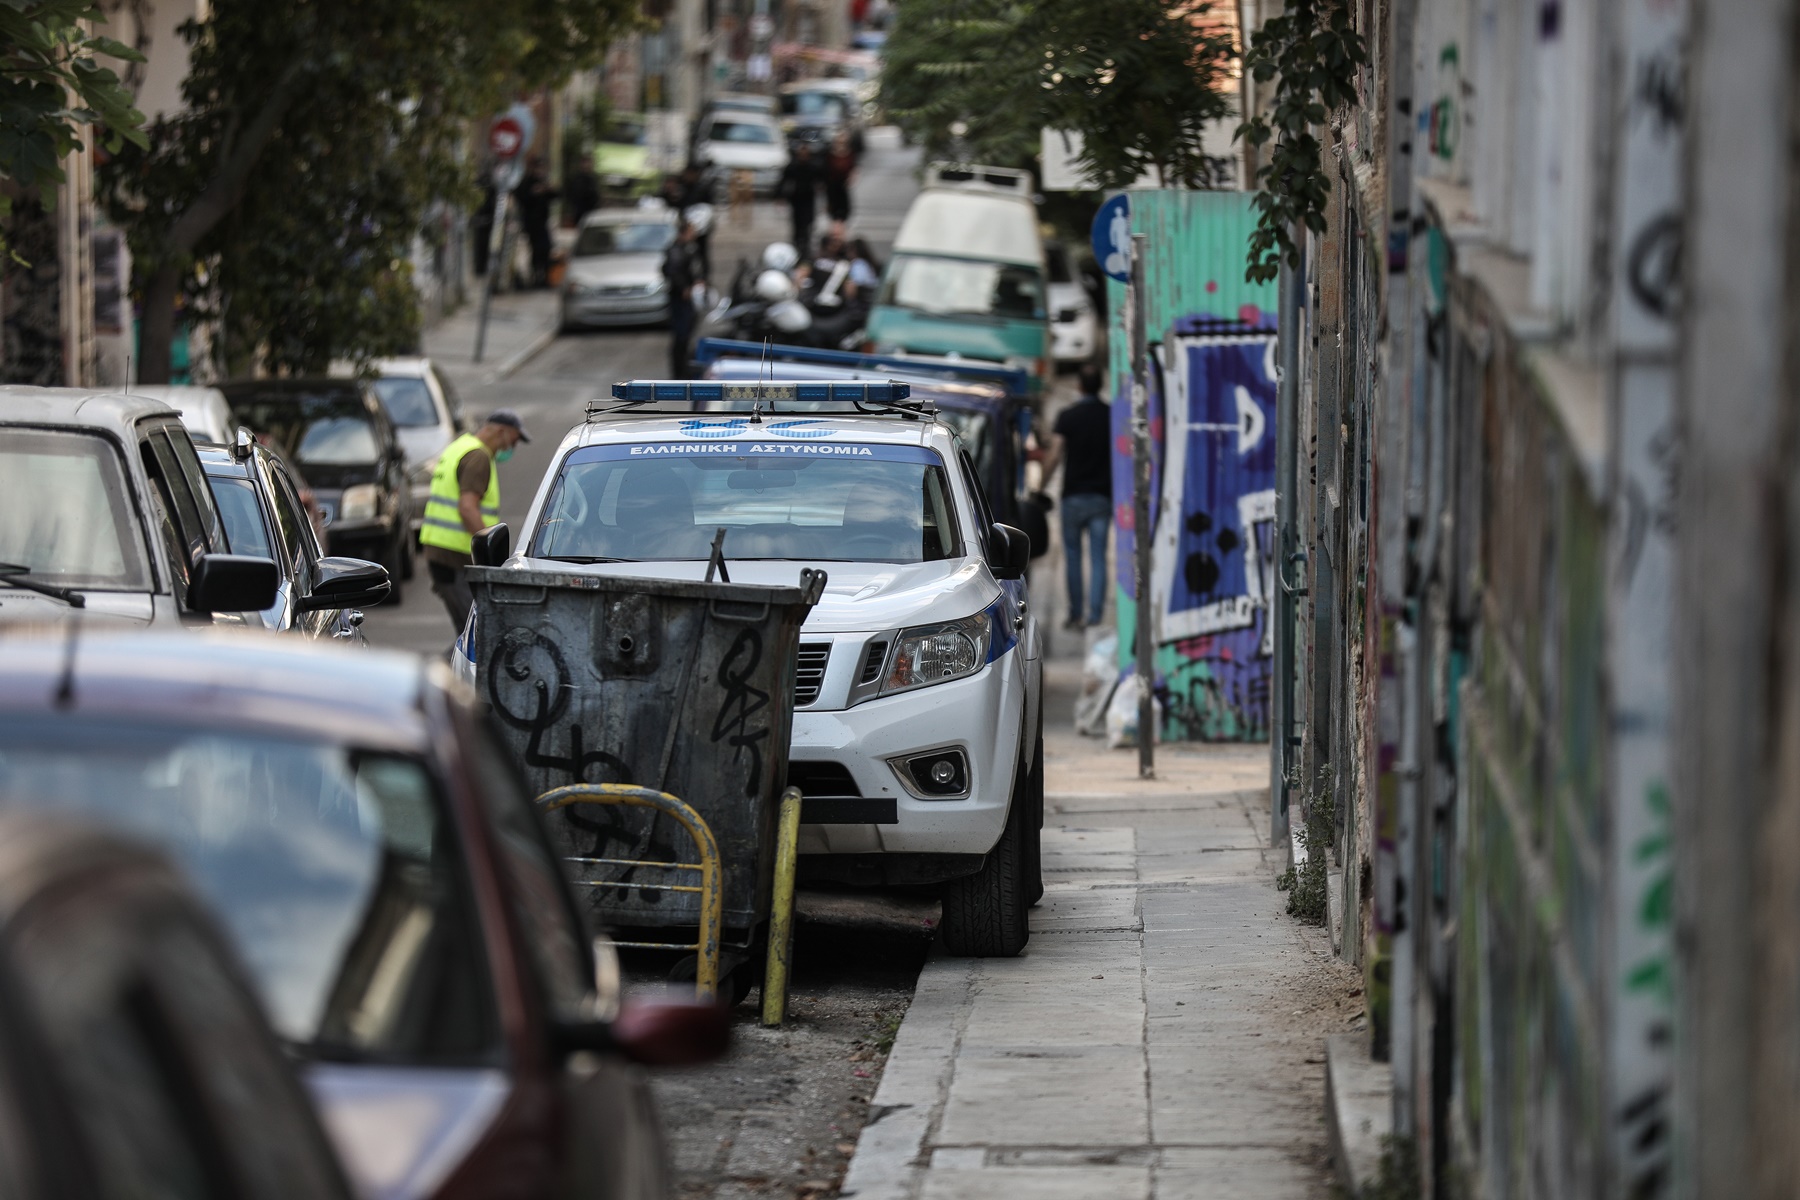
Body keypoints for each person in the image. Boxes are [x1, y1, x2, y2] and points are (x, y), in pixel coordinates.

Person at [419, 410, 532, 632]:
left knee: (471, 632)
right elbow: (467, 508)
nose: (512, 448)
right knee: (477, 637)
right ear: (501, 431)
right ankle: (440, 668)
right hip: (455, 559)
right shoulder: (478, 457)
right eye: (514, 440)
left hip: (441, 553)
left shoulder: (459, 446)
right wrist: (490, 552)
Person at [1041, 363, 1113, 630]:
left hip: (1073, 496)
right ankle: (1094, 617)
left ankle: (1075, 614)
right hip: (1103, 498)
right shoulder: (1110, 416)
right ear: (1100, 386)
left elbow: (1055, 454)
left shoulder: (1068, 416)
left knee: (1073, 555)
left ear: (1079, 386)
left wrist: (1041, 486)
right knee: (1098, 556)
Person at [663, 220, 700, 379]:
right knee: (681, 335)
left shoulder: (686, 248)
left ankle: (683, 368)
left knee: (686, 333)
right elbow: (672, 270)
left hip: (685, 296)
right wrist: (683, 287)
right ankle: (679, 372)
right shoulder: (676, 250)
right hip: (679, 299)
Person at [517, 157, 557, 288]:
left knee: (546, 249)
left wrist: (548, 189)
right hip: (532, 223)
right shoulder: (527, 182)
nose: (539, 171)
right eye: (537, 168)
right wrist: (533, 193)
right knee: (536, 250)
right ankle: (535, 277)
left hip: (543, 222)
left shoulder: (543, 181)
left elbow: (556, 195)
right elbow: (521, 198)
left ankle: (544, 277)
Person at [779, 143, 821, 255]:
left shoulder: (813, 167)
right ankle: (796, 244)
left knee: (808, 223)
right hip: (796, 199)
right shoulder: (793, 166)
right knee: (796, 223)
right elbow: (784, 180)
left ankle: (805, 245)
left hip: (808, 199)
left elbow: (820, 179)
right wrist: (780, 196)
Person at [822, 132, 856, 224]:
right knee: (833, 205)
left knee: (844, 206)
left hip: (843, 183)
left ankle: (841, 224)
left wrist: (851, 176)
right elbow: (825, 168)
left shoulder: (850, 152)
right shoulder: (829, 153)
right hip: (831, 183)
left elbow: (852, 166)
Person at [564, 156, 601, 228]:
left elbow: (595, 195)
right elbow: (571, 193)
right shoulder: (577, 179)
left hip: (591, 211)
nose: (586, 165)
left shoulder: (592, 178)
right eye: (585, 163)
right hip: (580, 210)